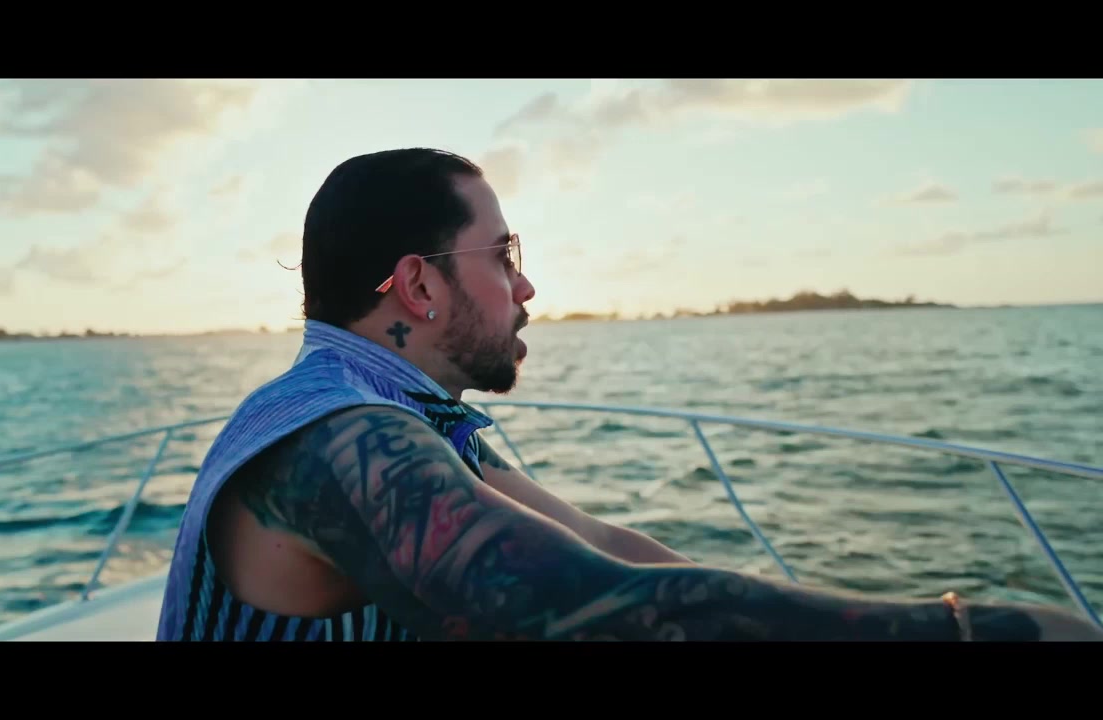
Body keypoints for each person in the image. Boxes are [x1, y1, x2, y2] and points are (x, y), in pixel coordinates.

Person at [154, 147, 1102, 641]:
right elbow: (575, 598)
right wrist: (967, 630)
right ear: (419, 284)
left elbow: (604, 544)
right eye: (504, 255)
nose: (526, 286)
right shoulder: (334, 438)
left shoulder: (409, 418)